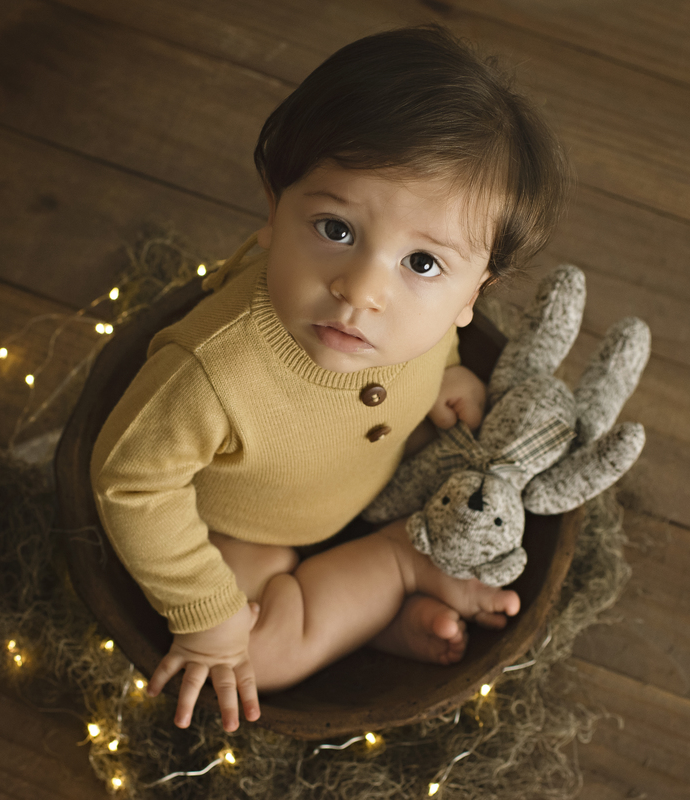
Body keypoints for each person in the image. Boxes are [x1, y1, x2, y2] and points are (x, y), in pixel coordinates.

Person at [90, 25, 569, 733]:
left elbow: (437, 338)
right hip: (244, 528)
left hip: (369, 477)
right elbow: (129, 482)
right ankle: (399, 567)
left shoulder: (423, 327)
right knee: (249, 654)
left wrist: (446, 371)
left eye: (423, 264)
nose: (362, 291)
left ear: (474, 293)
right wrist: (205, 610)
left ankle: (371, 616)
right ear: (274, 208)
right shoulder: (212, 370)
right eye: (336, 229)